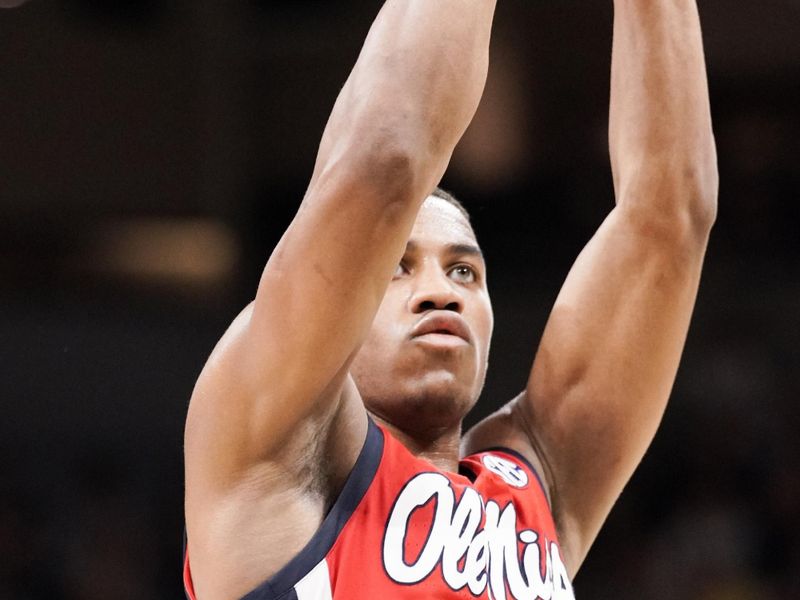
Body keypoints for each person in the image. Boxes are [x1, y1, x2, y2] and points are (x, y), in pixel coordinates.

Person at [183, 0, 718, 598]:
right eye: (396, 268)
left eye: (464, 271)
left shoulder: (532, 487)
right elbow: (386, 158)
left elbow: (670, 220)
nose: (439, 292)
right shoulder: (275, 443)